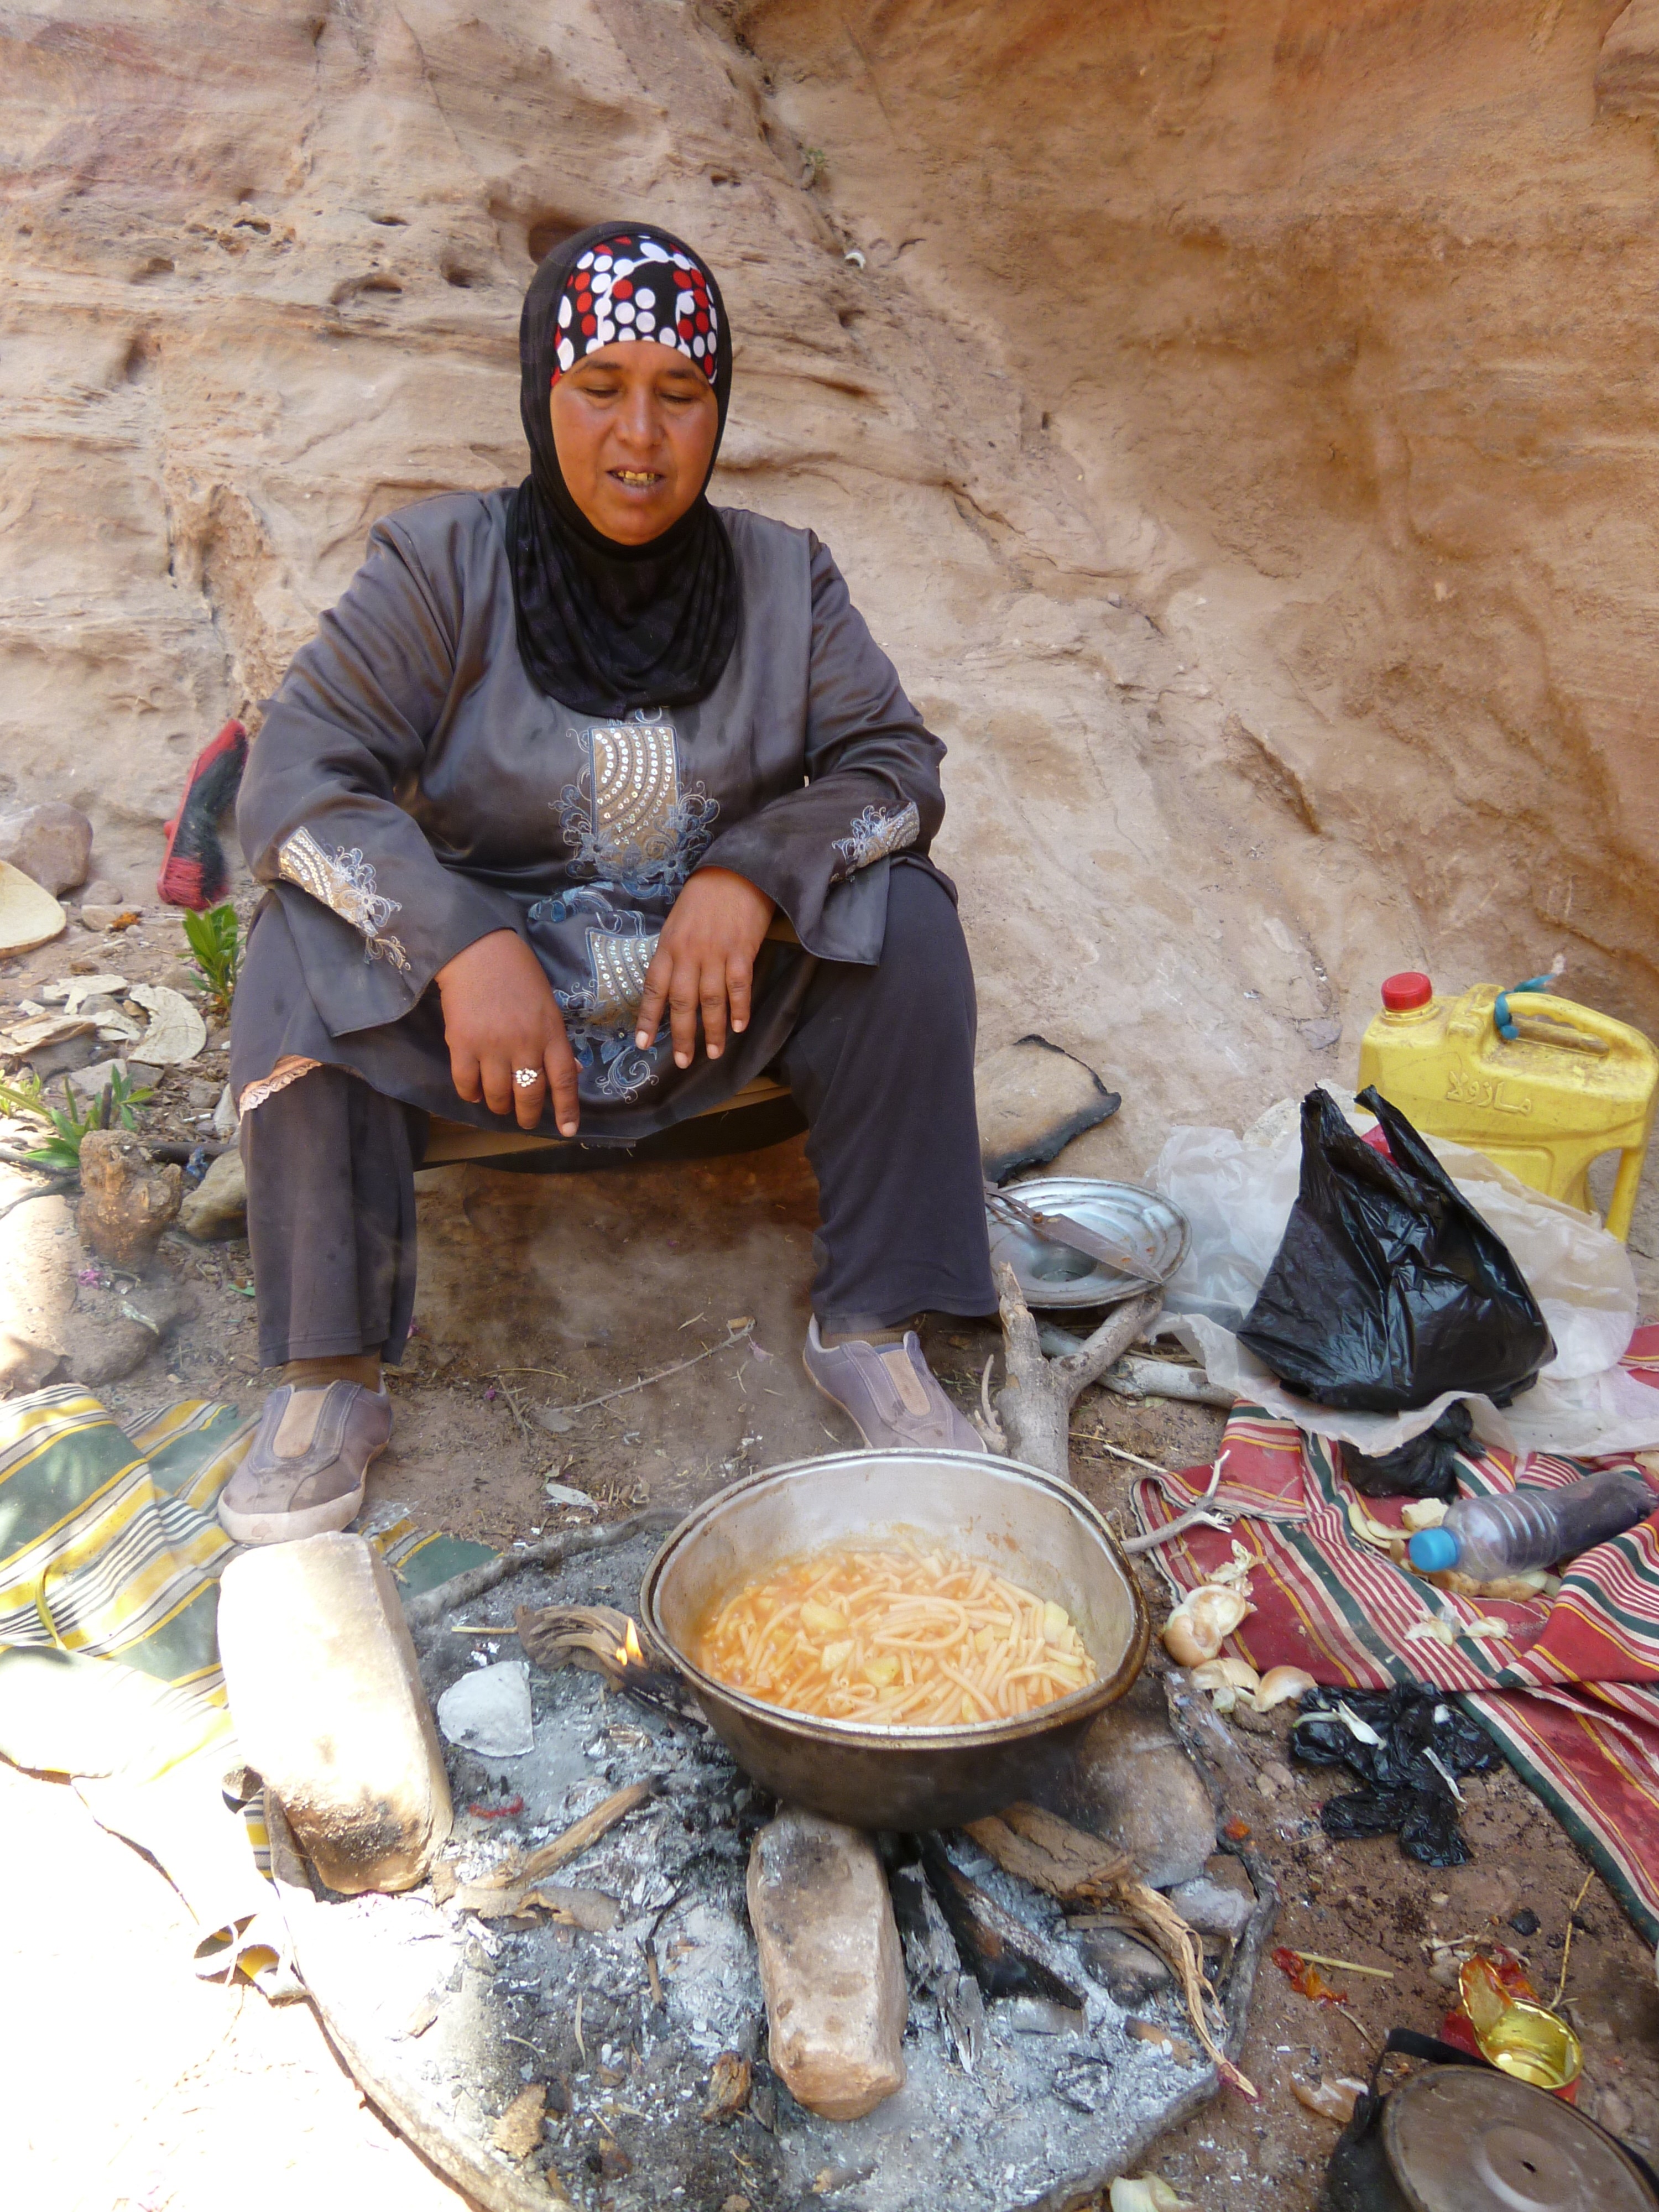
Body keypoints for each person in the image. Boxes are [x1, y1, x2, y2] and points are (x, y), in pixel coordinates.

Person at [221, 220, 996, 1545]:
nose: (641, 435)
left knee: (906, 917)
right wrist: (462, 943)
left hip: (707, 992)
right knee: (300, 938)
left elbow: (894, 767)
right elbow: (294, 779)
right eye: (601, 388)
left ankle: (871, 1324)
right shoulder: (439, 567)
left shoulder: (784, 577)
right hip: (491, 1016)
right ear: (544, 393)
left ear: (719, 407)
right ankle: (328, 1371)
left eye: (680, 393)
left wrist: (753, 871)